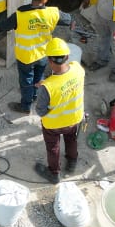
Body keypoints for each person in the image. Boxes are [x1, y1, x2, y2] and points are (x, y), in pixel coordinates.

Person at [0, 0, 72, 114]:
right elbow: (69, 20)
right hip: (44, 55)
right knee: (38, 78)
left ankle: (25, 106)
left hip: (26, 56)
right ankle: (34, 96)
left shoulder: (20, 15)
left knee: (26, 81)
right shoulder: (54, 13)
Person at [33, 38, 85, 183]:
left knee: (53, 147)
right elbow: (65, 82)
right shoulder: (78, 69)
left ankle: (54, 174)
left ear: (49, 60)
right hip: (74, 119)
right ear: (67, 57)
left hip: (53, 125)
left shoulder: (47, 88)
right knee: (71, 139)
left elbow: (41, 112)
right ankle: (72, 161)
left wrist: (46, 87)